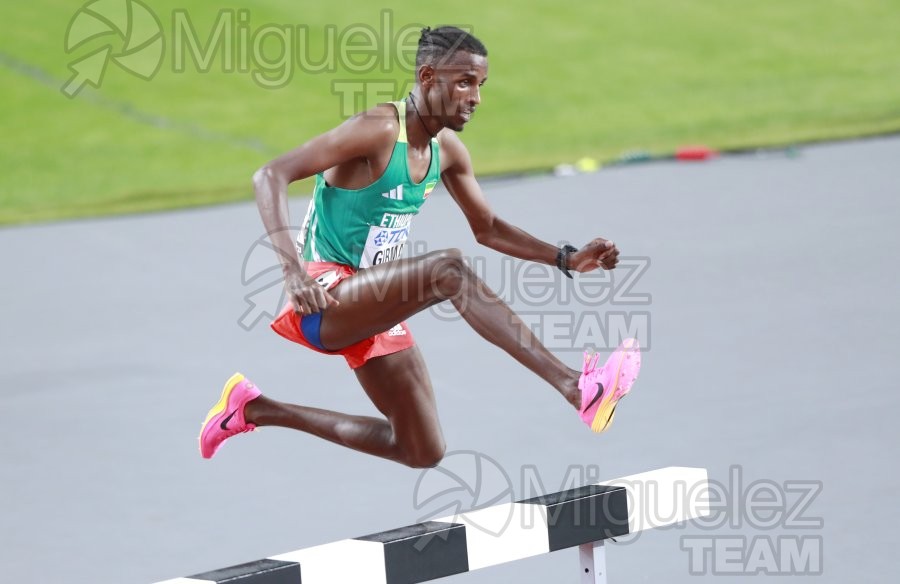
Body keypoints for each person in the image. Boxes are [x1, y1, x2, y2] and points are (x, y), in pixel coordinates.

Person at [199, 26, 641, 468]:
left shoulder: (447, 150)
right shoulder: (377, 129)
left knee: (421, 448)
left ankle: (253, 408)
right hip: (324, 295)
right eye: (464, 82)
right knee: (447, 271)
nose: (476, 97)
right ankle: (575, 387)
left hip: (372, 301)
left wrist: (566, 258)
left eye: (480, 85)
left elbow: (487, 228)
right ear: (428, 77)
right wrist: (292, 272)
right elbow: (269, 176)